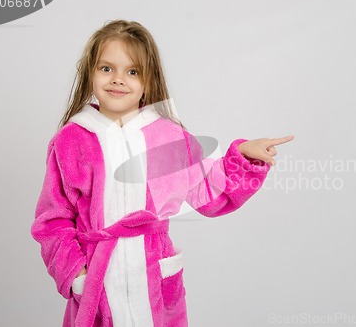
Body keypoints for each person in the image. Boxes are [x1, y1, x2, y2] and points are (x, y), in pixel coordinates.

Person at [31, 19, 294, 327]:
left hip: (154, 281)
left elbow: (208, 189)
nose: (118, 79)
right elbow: (53, 221)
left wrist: (243, 158)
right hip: (98, 282)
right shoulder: (71, 141)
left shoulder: (166, 137)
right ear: (89, 72)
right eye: (106, 68)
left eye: (132, 71)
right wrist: (76, 273)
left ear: (148, 79)